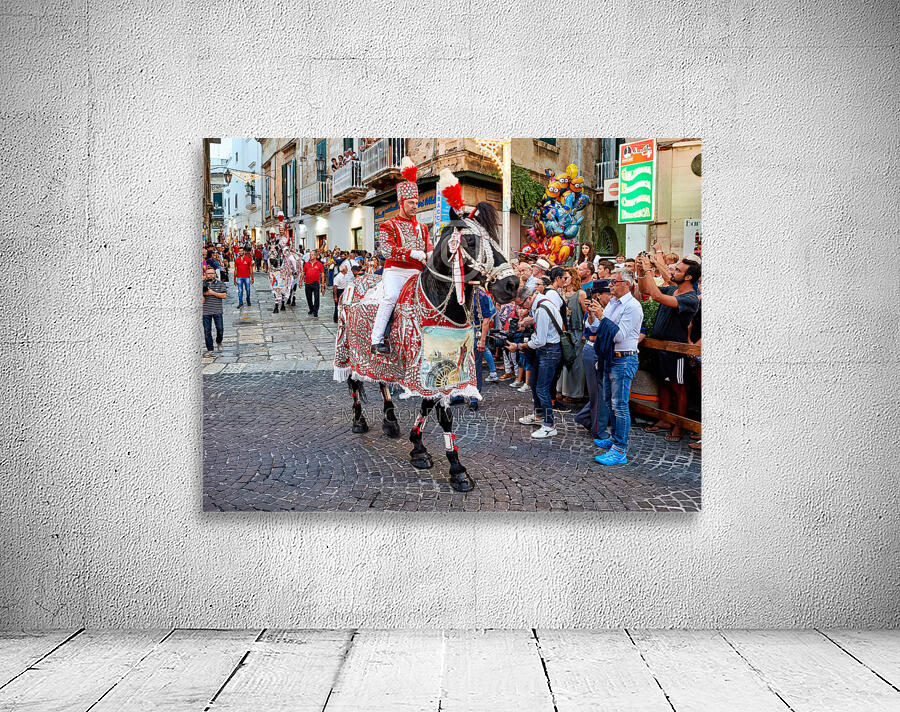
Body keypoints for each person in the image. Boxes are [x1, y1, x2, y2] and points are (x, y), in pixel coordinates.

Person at [636, 248, 701, 442]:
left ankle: (679, 426)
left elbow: (656, 296)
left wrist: (650, 268)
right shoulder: (673, 289)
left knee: (678, 387)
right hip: (660, 347)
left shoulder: (689, 298)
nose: (673, 273)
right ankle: (664, 420)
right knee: (664, 384)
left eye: (678, 271)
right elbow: (646, 290)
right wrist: (641, 271)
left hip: (676, 350)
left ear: (688, 276)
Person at [370, 157, 432, 354]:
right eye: (411, 203)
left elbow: (428, 245)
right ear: (401, 202)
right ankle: (376, 339)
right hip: (395, 272)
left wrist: (431, 252)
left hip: (417, 273)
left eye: (417, 202)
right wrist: (411, 252)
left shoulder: (422, 227)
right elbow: (386, 250)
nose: (415, 206)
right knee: (391, 297)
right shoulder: (387, 225)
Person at [592, 268, 644, 465]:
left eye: (614, 282)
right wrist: (594, 318)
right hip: (611, 357)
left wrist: (602, 317)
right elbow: (601, 330)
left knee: (620, 405)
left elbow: (618, 335)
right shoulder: (613, 303)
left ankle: (620, 450)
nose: (610, 285)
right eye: (610, 281)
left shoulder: (633, 306)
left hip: (624, 359)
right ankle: (614, 439)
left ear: (626, 284)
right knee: (610, 401)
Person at [508, 285, 563, 439]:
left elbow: (540, 340)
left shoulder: (541, 309)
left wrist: (520, 345)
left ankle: (549, 425)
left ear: (529, 298)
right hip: (545, 350)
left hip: (549, 350)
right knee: (533, 383)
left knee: (542, 389)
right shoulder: (540, 304)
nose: (520, 308)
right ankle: (539, 415)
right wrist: (530, 321)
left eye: (521, 304)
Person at [557, 268, 586, 401]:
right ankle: (561, 390)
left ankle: (575, 394)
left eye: (566, 277)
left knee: (576, 363)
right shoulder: (560, 293)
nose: (564, 280)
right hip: (564, 331)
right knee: (564, 361)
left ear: (573, 278)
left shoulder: (580, 294)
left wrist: (586, 332)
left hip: (577, 331)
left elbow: (587, 314)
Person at [202, 266, 227, 354]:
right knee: (207, 331)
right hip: (206, 311)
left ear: (215, 274)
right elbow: (202, 301)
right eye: (208, 274)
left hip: (217, 310)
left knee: (220, 329)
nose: (210, 275)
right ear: (205, 275)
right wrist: (203, 293)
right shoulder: (201, 284)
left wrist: (212, 293)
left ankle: (219, 341)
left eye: (212, 273)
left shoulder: (220, 284)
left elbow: (224, 296)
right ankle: (210, 349)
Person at [303, 250, 324, 317]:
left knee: (316, 297)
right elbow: (303, 273)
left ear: (315, 256)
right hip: (307, 283)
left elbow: (322, 274)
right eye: (310, 255)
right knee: (308, 297)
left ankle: (315, 311)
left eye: (312, 255)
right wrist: (300, 281)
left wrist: (322, 283)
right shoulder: (306, 264)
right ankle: (311, 309)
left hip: (316, 283)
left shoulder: (319, 264)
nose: (310, 256)